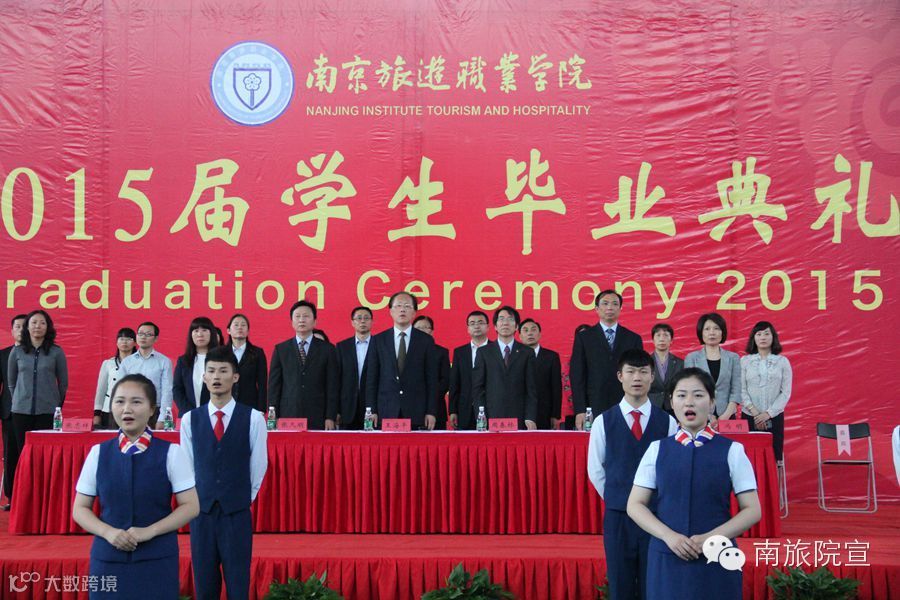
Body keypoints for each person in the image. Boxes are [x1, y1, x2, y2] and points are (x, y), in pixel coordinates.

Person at [627, 368, 760, 599]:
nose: (689, 402)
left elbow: (753, 509)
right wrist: (669, 536)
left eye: (698, 395)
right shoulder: (657, 450)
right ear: (672, 402)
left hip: (717, 558)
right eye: (681, 395)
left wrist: (711, 538)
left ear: (712, 403)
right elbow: (635, 505)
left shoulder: (733, 451)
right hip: (667, 557)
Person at [73, 374, 199, 599]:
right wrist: (108, 532)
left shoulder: (172, 453)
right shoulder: (98, 454)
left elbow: (191, 506)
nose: (127, 409)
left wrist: (149, 531)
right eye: (120, 401)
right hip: (108, 559)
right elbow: (80, 508)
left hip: (157, 560)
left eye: (136, 402)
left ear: (152, 410)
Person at [587, 349, 677, 600]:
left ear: (652, 377)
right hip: (618, 517)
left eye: (643, 372)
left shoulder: (668, 422)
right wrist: (620, 499)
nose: (637, 377)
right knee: (620, 584)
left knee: (653, 583)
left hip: (656, 517)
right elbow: (596, 469)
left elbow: (671, 469)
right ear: (620, 376)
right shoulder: (603, 422)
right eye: (631, 372)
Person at [180, 346, 268, 600]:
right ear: (204, 377)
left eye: (223, 371)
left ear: (235, 377)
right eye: (211, 371)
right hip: (202, 512)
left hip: (236, 513)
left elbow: (258, 465)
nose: (216, 376)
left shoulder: (253, 418)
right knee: (204, 583)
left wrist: (242, 498)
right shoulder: (189, 419)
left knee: (238, 583)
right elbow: (187, 466)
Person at [8, 309, 68, 495]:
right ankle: (23, 495)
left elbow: (63, 383)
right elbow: (11, 383)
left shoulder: (56, 352)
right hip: (21, 412)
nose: (38, 326)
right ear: (27, 327)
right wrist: (20, 399)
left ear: (48, 327)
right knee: (23, 454)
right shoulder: (17, 351)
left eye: (42, 323)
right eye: (33, 322)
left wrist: (56, 404)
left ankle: (44, 494)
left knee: (45, 455)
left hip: (47, 412)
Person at [570, 290, 643, 429]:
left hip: (626, 404)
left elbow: (639, 375)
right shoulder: (584, 338)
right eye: (605, 303)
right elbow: (577, 375)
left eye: (615, 304)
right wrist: (580, 409)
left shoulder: (633, 338)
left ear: (620, 309)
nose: (610, 307)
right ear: (597, 309)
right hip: (593, 405)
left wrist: (638, 405)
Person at [366, 291, 438, 430]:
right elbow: (372, 379)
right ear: (391, 311)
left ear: (414, 312)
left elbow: (432, 380)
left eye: (407, 306)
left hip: (417, 411)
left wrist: (431, 411)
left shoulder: (426, 341)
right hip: (385, 410)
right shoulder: (378, 340)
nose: (402, 310)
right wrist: (371, 410)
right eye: (398, 306)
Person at [269, 300, 339, 429]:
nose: (301, 320)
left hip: (318, 415)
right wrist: (273, 415)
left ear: (314, 321)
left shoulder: (328, 349)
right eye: (297, 316)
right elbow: (274, 386)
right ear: (292, 321)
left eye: (306, 316)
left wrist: (330, 416)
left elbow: (332, 386)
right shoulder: (281, 349)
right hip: (288, 414)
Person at [472, 306, 538, 429]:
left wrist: (530, 417)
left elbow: (531, 389)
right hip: (491, 417)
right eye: (501, 319)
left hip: (520, 418)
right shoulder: (484, 352)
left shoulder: (527, 353)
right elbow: (478, 389)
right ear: (495, 326)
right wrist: (481, 416)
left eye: (510, 319)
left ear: (516, 326)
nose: (505, 323)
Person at [740, 321, 792, 461]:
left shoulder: (782, 361)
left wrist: (768, 414)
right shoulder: (745, 361)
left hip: (774, 417)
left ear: (773, 337)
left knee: (773, 457)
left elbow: (785, 392)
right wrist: (756, 413)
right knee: (749, 458)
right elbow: (741, 389)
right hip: (749, 415)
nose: (763, 337)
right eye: (759, 334)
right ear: (754, 338)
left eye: (766, 334)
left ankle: (774, 476)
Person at [684, 313, 740, 420]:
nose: (712, 333)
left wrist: (726, 415)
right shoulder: (692, 358)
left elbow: (736, 389)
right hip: (699, 414)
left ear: (722, 332)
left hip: (727, 415)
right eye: (707, 329)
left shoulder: (733, 358)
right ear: (701, 333)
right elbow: (690, 389)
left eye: (716, 328)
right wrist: (708, 415)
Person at [119, 321, 174, 428]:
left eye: (148, 334)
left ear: (156, 338)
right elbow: (121, 390)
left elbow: (167, 391)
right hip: (132, 409)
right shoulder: (127, 362)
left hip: (155, 410)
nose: (143, 337)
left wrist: (163, 418)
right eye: (140, 333)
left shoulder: (164, 361)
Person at [0, 314, 26, 509]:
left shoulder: (40, 354)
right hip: (9, 412)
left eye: (25, 326)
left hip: (34, 413)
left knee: (31, 456)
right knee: (11, 456)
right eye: (18, 326)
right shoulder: (3, 355)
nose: (21, 330)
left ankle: (31, 497)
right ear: (12, 331)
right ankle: (12, 497)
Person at [448, 311, 490, 430]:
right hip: (465, 409)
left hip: (490, 408)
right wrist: (453, 410)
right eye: (472, 323)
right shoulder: (460, 352)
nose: (476, 326)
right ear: (468, 329)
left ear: (488, 327)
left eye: (480, 322)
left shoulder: (495, 349)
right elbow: (454, 383)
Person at [518, 318, 562, 429]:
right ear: (520, 336)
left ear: (540, 334)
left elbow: (556, 387)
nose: (530, 333)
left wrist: (555, 415)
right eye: (525, 330)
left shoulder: (551, 357)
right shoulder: (514, 357)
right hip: (519, 412)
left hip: (544, 412)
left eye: (533, 330)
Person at [335, 306, 373, 430]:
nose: (362, 321)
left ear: (372, 322)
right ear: (352, 322)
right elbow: (337, 380)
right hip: (347, 409)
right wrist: (336, 410)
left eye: (366, 318)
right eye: (359, 318)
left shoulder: (379, 344)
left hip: (371, 410)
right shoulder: (342, 347)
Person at [173, 317, 219, 417]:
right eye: (196, 330)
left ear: (211, 333)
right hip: (188, 415)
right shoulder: (183, 361)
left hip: (214, 415)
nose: (200, 334)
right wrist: (190, 412)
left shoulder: (221, 359)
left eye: (204, 330)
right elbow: (177, 389)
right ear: (191, 335)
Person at [93, 328, 137, 429]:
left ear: (135, 343)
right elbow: (101, 390)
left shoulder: (139, 364)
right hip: (109, 409)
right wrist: (97, 414)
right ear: (117, 343)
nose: (124, 342)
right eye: (121, 339)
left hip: (133, 409)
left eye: (129, 339)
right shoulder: (108, 363)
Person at [413, 315, 450, 429]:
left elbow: (445, 380)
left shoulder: (441, 352)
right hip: (411, 407)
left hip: (436, 407)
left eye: (425, 327)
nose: (422, 331)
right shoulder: (405, 352)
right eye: (418, 328)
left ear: (432, 331)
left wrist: (429, 396)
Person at [227, 314, 268, 412]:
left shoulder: (257, 353)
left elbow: (262, 383)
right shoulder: (221, 353)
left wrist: (261, 409)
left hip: (250, 405)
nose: (240, 327)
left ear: (248, 331)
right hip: (226, 404)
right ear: (228, 330)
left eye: (243, 325)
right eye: (236, 325)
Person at [647, 323, 683, 414]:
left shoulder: (680, 363)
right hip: (651, 406)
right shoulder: (645, 362)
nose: (662, 339)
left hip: (673, 407)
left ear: (671, 340)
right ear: (653, 340)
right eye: (658, 335)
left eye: (666, 335)